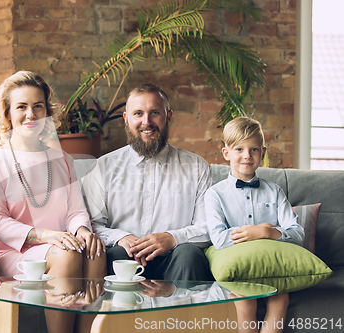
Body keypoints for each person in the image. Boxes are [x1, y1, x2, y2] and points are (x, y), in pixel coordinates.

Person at [0, 70, 106, 333]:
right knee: (68, 253)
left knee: (95, 249)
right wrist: (47, 236)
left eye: (38, 106)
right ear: (7, 113)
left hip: (59, 245)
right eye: (21, 107)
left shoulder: (64, 161)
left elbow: (76, 211)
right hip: (12, 253)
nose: (31, 115)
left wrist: (82, 230)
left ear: (47, 112)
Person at [82, 83, 213, 281]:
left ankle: (180, 313)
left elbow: (208, 226)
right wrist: (119, 238)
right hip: (125, 257)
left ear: (168, 117)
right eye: (138, 113)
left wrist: (172, 238)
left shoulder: (197, 167)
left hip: (176, 258)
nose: (147, 121)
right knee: (114, 256)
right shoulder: (103, 167)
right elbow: (92, 225)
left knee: (190, 255)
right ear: (126, 120)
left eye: (155, 113)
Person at [204, 116, 304, 333]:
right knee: (245, 300)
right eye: (239, 149)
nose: (247, 156)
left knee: (280, 299)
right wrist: (252, 233)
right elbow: (219, 238)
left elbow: (297, 234)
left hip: (273, 268)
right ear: (226, 153)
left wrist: (268, 232)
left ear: (263, 153)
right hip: (239, 270)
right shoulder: (215, 195)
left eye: (254, 150)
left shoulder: (274, 191)